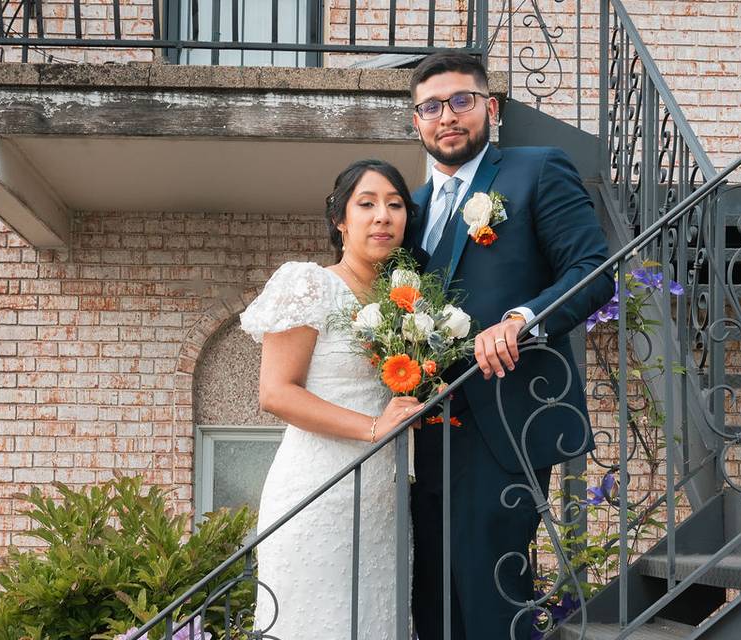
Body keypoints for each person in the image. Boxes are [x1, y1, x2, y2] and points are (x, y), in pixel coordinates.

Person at [405, 52, 614, 640]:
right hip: (425, 427)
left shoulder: (536, 169)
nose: (446, 115)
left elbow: (595, 269)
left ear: (490, 108)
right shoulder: (410, 208)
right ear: (415, 122)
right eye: (430, 106)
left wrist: (523, 319)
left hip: (508, 417)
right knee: (434, 603)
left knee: (493, 597)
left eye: (461, 100)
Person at [240, 159, 424, 639]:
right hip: (318, 493)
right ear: (340, 220)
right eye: (366, 204)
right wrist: (373, 428)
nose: (382, 216)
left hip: (384, 500)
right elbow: (276, 393)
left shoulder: (405, 303)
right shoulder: (309, 284)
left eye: (395, 204)